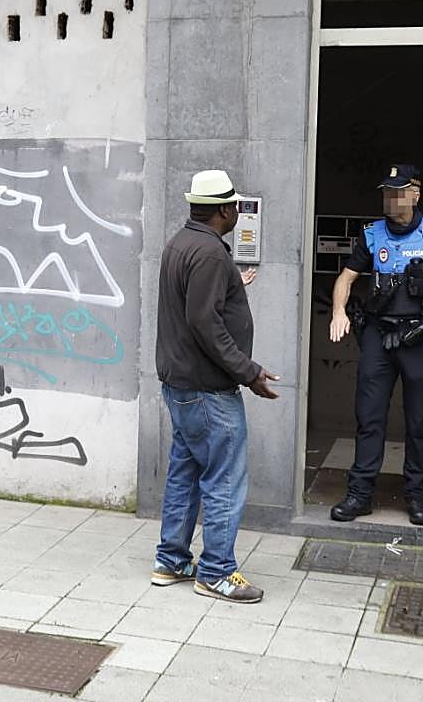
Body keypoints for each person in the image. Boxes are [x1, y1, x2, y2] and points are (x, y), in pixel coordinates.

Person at [153, 169, 280, 604]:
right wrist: (249, 371)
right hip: (207, 390)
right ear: (225, 210)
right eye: (235, 208)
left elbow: (198, 305)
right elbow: (203, 322)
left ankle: (171, 561)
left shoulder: (182, 244)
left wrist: (230, 286)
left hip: (182, 384)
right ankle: (217, 572)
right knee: (224, 479)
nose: (238, 214)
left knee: (185, 472)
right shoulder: (208, 253)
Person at [327, 164, 423, 525]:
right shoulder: (372, 234)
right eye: (386, 192)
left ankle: (418, 497)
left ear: (415, 193)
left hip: (420, 337)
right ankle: (360, 495)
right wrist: (338, 311)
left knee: (420, 421)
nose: (391, 199)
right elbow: (346, 278)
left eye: (398, 191)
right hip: (379, 335)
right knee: (369, 417)